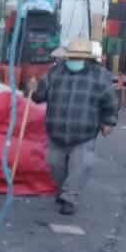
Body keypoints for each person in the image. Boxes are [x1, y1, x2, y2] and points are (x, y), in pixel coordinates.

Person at [27, 38, 118, 216]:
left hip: (84, 131)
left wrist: (108, 122)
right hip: (56, 130)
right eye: (71, 57)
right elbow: (38, 97)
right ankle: (64, 190)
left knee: (81, 165)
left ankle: (70, 197)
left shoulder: (100, 76)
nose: (74, 61)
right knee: (54, 164)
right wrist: (33, 88)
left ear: (87, 59)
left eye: (78, 58)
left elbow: (110, 102)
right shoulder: (55, 73)